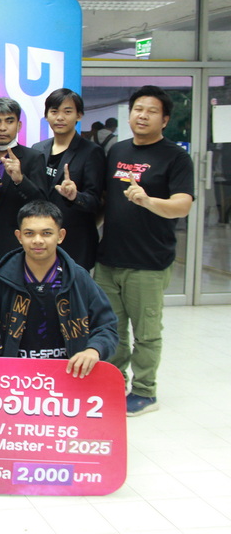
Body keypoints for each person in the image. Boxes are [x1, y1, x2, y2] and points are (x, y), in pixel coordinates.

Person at [95, 86, 193, 416]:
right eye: (138, 109)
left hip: (148, 262)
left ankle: (145, 391)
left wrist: (148, 200)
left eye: (151, 111)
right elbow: (106, 201)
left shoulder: (175, 157)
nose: (143, 115)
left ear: (164, 120)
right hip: (109, 258)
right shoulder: (117, 151)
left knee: (146, 333)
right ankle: (115, 382)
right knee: (112, 329)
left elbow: (182, 205)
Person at [0, 200, 119, 377]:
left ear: (60, 235)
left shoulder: (78, 278)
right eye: (29, 233)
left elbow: (107, 326)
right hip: (14, 377)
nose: (38, 240)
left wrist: (93, 350)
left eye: (47, 233)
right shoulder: (4, 279)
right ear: (19, 236)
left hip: (69, 375)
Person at [32, 88, 105, 271]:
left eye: (67, 111)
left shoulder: (91, 152)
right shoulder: (38, 149)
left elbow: (95, 201)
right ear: (46, 116)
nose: (60, 117)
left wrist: (75, 196)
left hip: (75, 242)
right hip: (41, 241)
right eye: (54, 111)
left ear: (79, 115)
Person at [0, 97, 48, 270]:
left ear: (19, 126)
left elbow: (42, 204)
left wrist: (20, 180)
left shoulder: (33, 158)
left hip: (11, 245)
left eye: (9, 121)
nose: (3, 128)